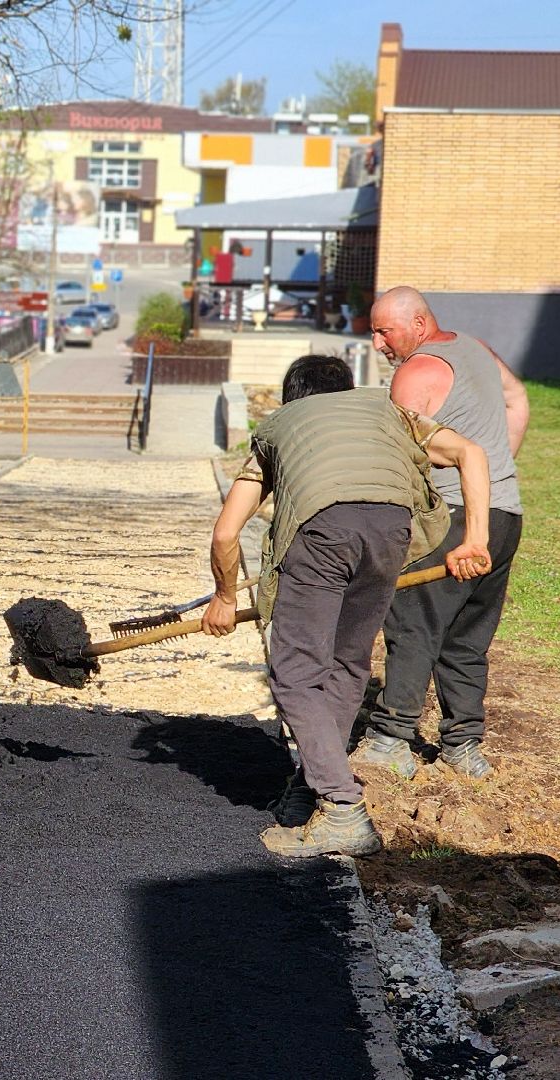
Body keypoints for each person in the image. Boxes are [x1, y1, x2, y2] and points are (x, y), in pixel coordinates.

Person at [204, 354, 492, 858]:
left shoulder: (279, 428)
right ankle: (311, 787)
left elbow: (227, 531)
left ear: (294, 397)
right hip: (391, 530)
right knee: (345, 666)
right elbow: (471, 452)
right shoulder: (388, 411)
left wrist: (226, 599)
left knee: (295, 673)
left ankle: (341, 809)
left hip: (324, 532)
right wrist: (474, 541)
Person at [357, 287, 528, 780]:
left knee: (414, 623)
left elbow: (399, 458)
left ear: (417, 324)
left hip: (449, 520)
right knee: (468, 636)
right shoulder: (477, 349)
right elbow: (517, 400)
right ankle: (463, 744)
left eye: (384, 331)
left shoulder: (417, 371)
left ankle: (391, 738)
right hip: (503, 516)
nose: (377, 343)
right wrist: (497, 471)